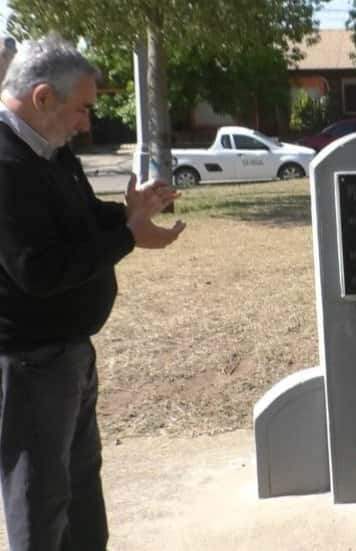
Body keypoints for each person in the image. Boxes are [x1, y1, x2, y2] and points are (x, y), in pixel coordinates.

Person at [0, 35, 185, 550]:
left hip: (70, 356)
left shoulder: (51, 153)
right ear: (42, 98)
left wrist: (128, 212)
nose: (87, 122)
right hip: (29, 364)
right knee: (41, 502)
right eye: (82, 108)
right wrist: (127, 234)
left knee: (81, 495)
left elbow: (76, 222)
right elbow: (40, 269)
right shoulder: (5, 163)